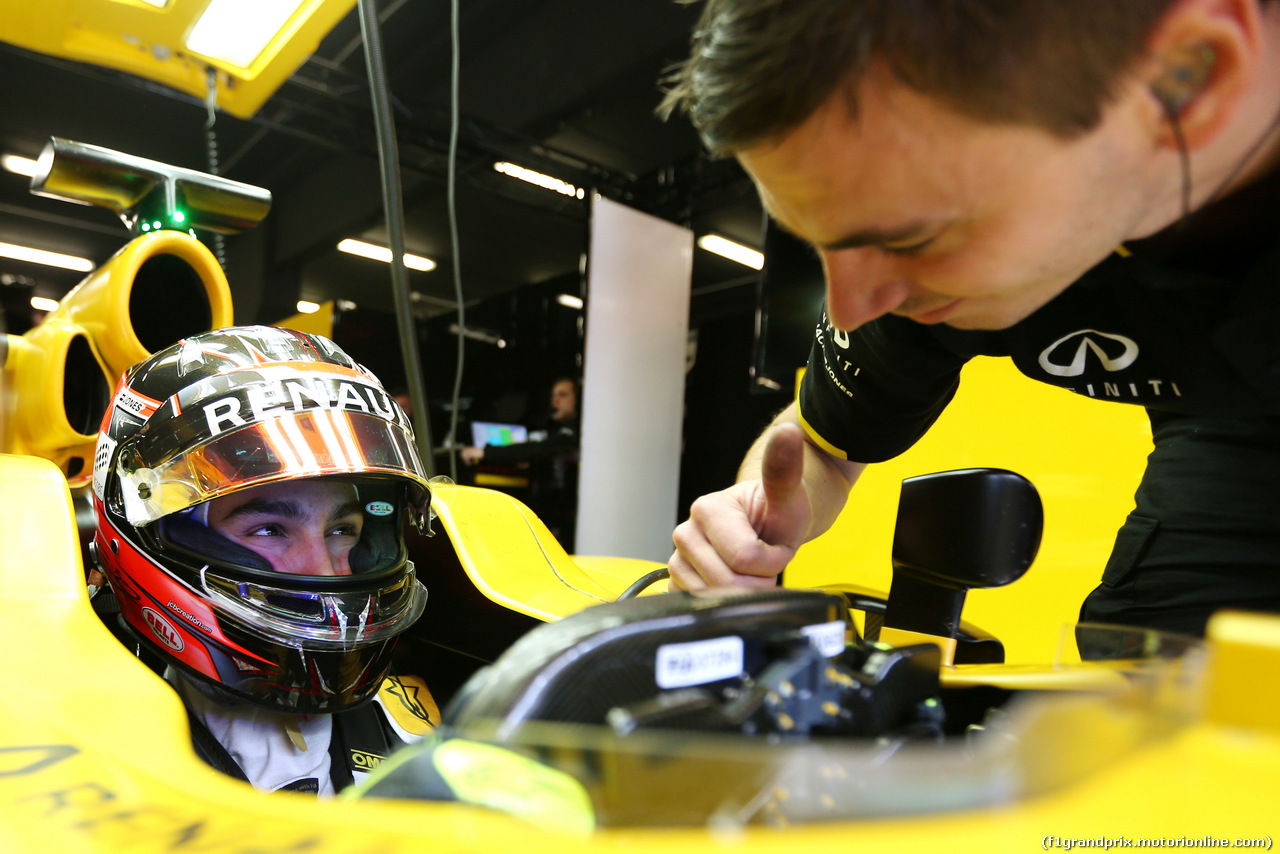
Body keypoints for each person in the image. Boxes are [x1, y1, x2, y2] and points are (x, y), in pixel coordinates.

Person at [660, 0, 1280, 638]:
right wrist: (753, 522)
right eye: (821, 244)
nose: (851, 304)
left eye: (910, 240)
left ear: (1191, 79)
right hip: (1224, 437)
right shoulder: (907, 220)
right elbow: (822, 442)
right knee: (1151, 682)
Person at [90, 325, 439, 795]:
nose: (323, 570)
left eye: (342, 531)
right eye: (270, 530)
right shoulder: (71, 731)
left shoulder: (415, 730)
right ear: (154, 530)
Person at [460, 377, 580, 549]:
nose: (555, 401)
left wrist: (485, 453)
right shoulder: (559, 431)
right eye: (554, 395)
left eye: (563, 395)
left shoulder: (575, 434)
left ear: (578, 399)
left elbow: (538, 449)